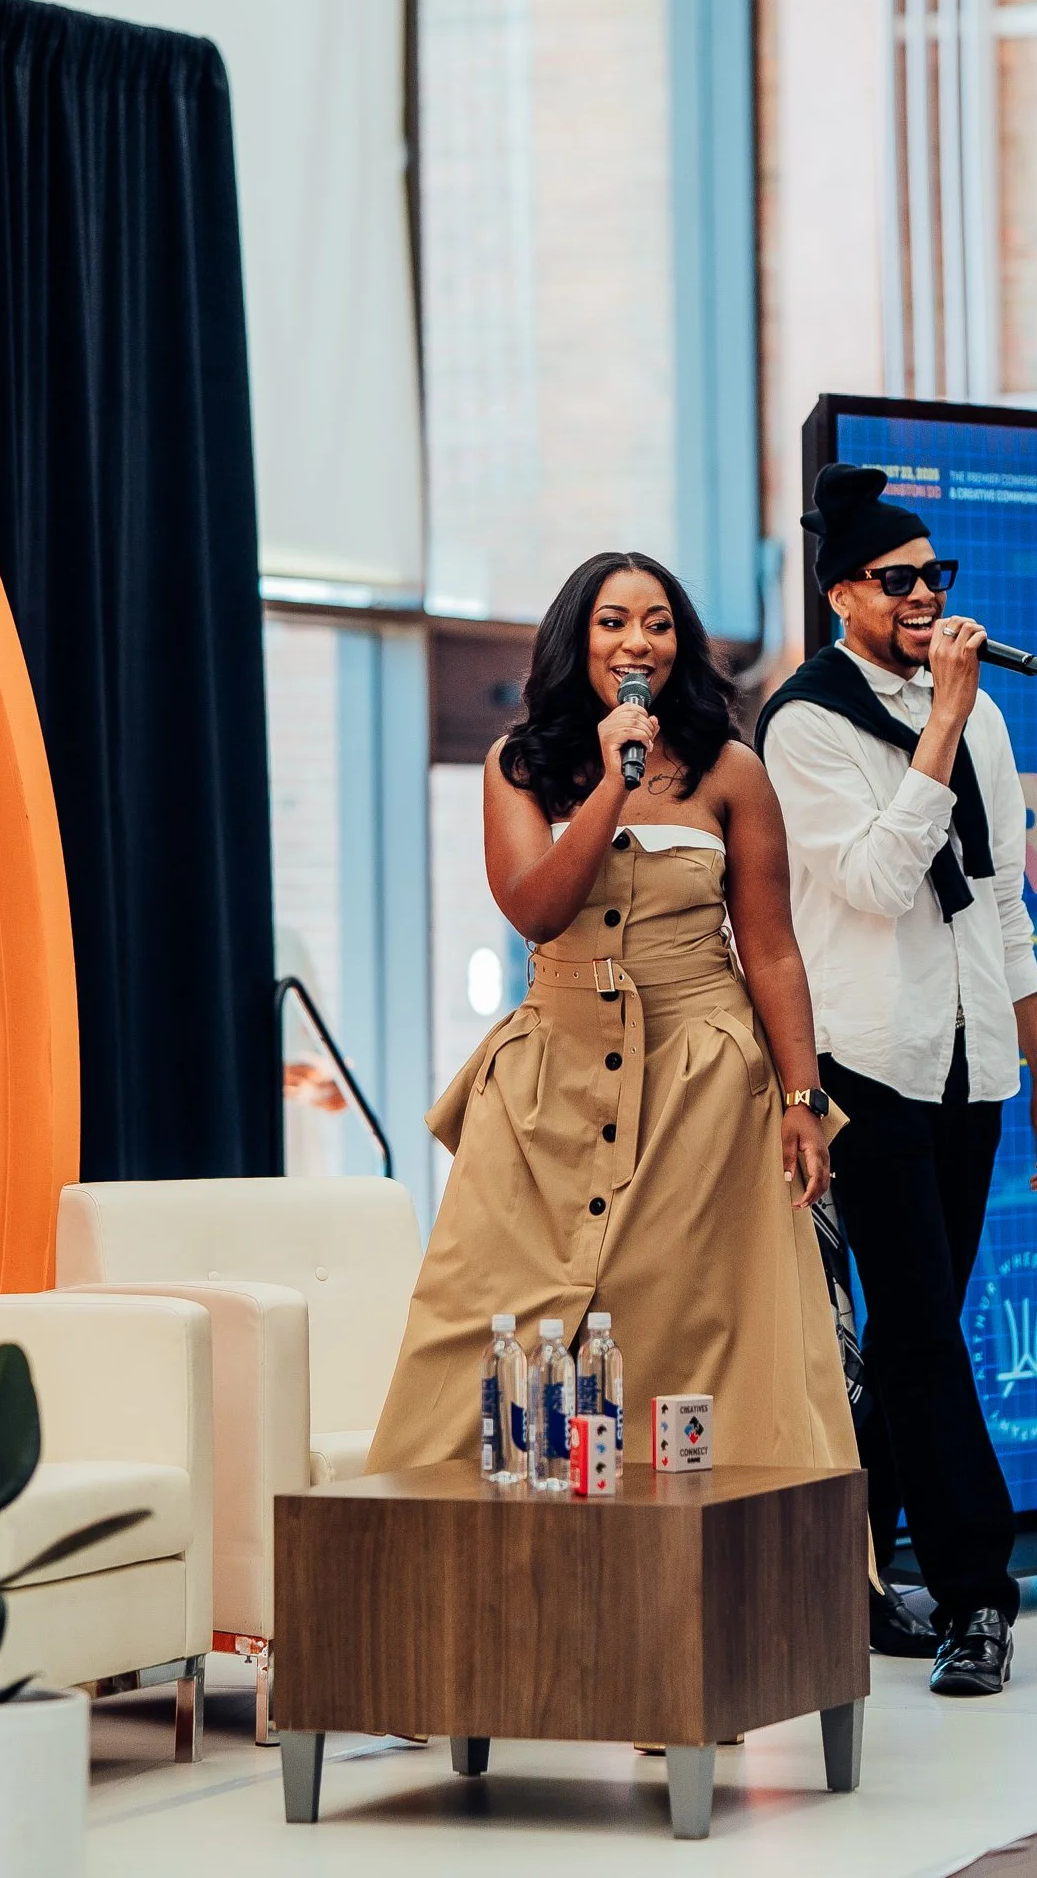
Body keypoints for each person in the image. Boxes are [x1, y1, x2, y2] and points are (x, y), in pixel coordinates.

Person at [367, 551, 857, 1488]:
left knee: (690, 1326)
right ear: (576, 639)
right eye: (614, 622)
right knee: (477, 1319)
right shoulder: (519, 765)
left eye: (659, 624)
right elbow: (535, 908)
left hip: (701, 1084)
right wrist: (609, 784)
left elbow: (772, 950)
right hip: (547, 1083)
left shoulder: (731, 772)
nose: (639, 642)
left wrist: (802, 1098)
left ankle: (692, 1551)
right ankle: (442, 1550)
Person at [757, 462, 1037, 1697]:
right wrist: (940, 719)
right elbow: (882, 883)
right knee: (926, 1332)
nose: (927, 595)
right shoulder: (807, 723)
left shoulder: (980, 713)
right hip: (868, 1066)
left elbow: (999, 903)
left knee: (907, 1341)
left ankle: (854, 1576)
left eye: (936, 574)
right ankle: (978, 1594)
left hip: (971, 1065)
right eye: (898, 579)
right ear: (843, 594)